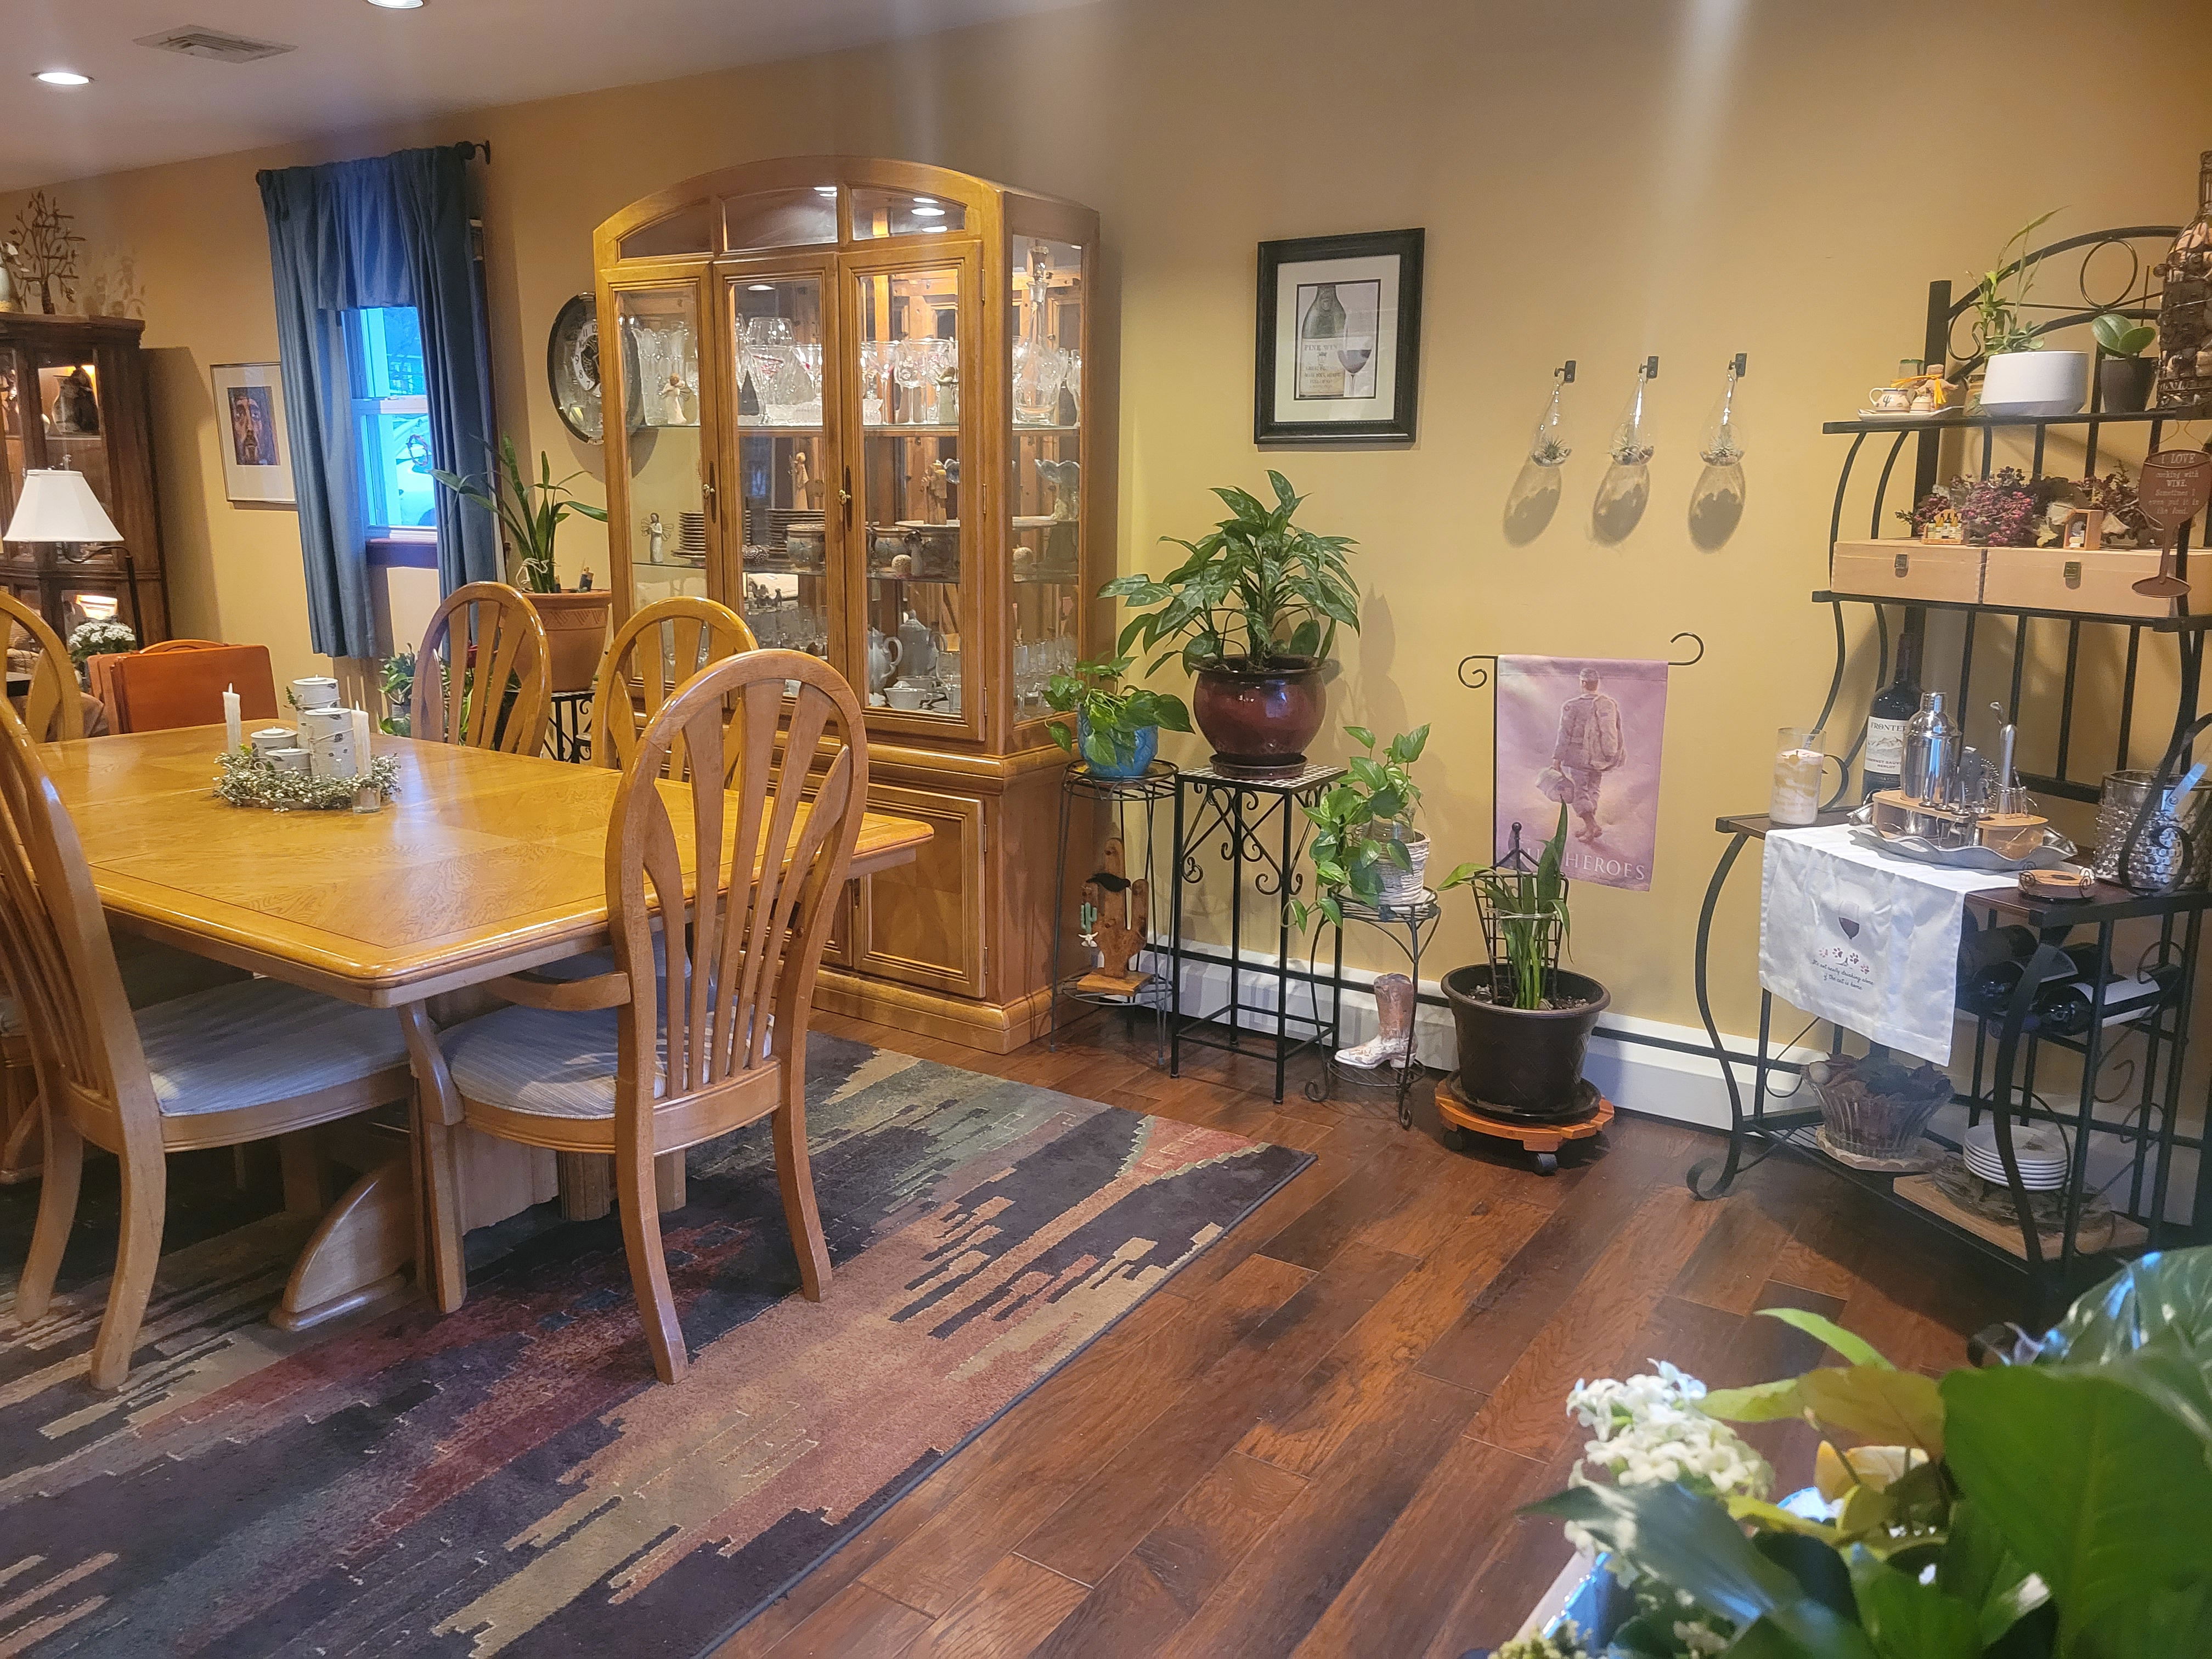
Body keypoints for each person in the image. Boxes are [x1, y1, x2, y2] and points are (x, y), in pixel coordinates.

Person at [1551, 666, 1625, 844]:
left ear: (1583, 683)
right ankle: (1588, 827)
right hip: (1599, 757)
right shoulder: (1608, 703)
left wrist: (1557, 758)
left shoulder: (1572, 706)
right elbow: (1616, 730)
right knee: (1593, 789)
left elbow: (1565, 733)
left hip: (1578, 757)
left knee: (1579, 791)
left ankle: (1592, 826)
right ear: (1596, 684)